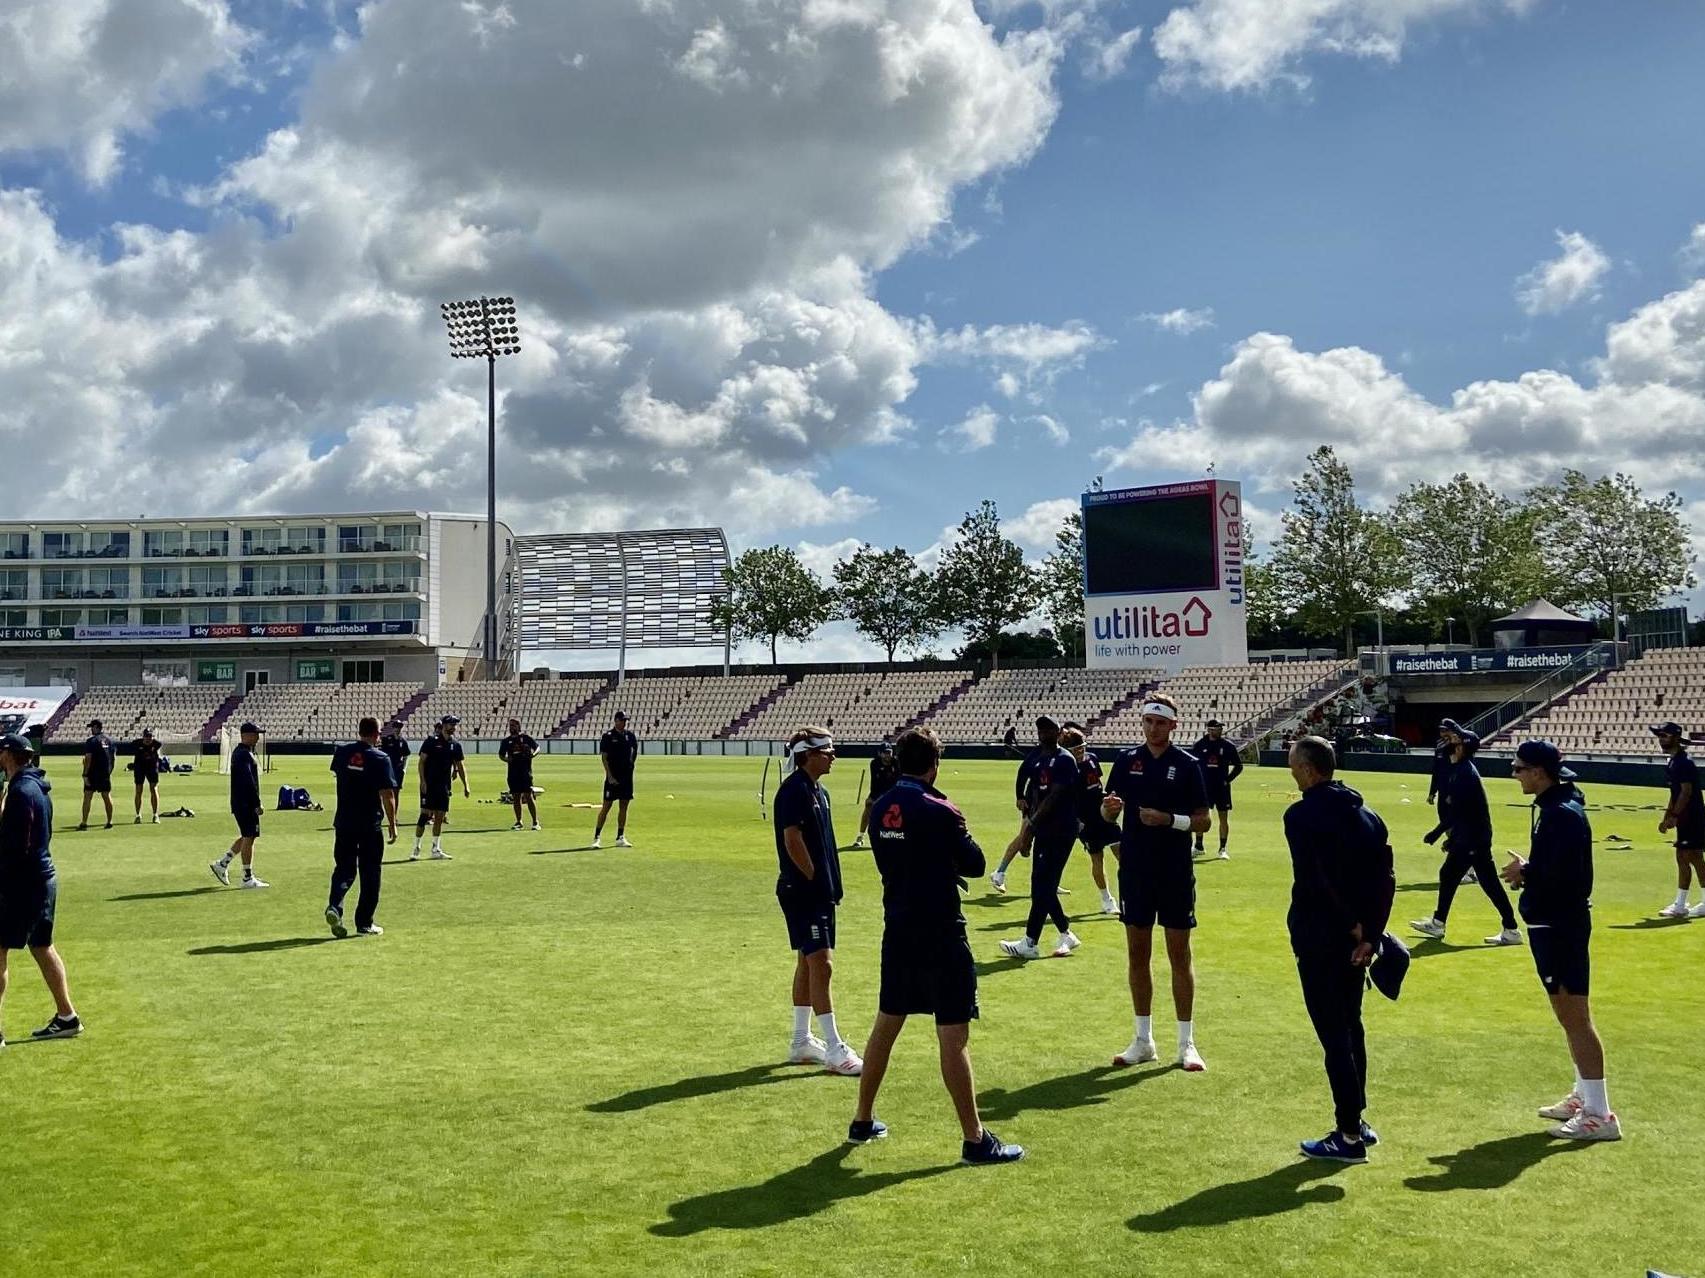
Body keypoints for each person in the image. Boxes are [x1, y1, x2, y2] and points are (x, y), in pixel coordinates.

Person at [847, 727, 1024, 1165]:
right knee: (953, 1032)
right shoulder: (941, 809)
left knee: (886, 1026)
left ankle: (862, 1120)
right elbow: (977, 864)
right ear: (934, 764)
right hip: (942, 932)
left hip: (899, 927)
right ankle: (975, 1138)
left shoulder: (882, 805)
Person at [1500, 740, 1620, 1140]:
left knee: (1575, 1017)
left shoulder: (1562, 815)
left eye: (1518, 768)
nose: (1514, 774)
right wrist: (1532, 870)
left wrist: (1527, 873)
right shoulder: (1556, 807)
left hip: (1560, 926)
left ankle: (1599, 1115)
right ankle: (1584, 1097)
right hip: (1552, 925)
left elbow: (1570, 879)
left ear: (1538, 772)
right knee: (1568, 1017)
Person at [1284, 735, 1394, 1164]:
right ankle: (1358, 1123)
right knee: (1352, 1029)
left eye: (1294, 764)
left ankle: (1347, 1134)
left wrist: (1350, 923)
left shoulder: (1300, 816)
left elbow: (1315, 878)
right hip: (1357, 940)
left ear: (1309, 770)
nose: (1291, 771)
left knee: (1335, 1037)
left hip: (1321, 936)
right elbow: (1385, 879)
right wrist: (1371, 934)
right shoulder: (1368, 815)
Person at [1101, 692, 1210, 1071]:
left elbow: (1203, 820)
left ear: (1173, 726)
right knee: (1137, 954)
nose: (1153, 728)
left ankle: (1186, 1043)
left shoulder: (1188, 765)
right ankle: (1143, 1039)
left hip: (1175, 870)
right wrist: (1108, 810)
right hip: (1136, 870)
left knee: (1179, 955)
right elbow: (1106, 812)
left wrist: (1169, 820)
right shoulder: (1127, 760)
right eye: (1148, 721)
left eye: (1160, 722)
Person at [774, 725, 861, 1076]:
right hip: (803, 892)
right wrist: (812, 878)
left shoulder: (818, 791)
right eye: (827, 751)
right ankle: (835, 1046)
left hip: (819, 891)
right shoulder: (794, 791)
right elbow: (792, 840)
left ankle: (801, 1040)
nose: (833, 756)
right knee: (822, 965)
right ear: (808, 754)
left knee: (808, 963)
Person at [0, 733, 82, 1047]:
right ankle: (66, 1017)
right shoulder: (36, 787)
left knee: (0, 949)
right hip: (42, 878)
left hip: (23, 883)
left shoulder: (21, 791)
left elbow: (15, 846)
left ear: (8, 755)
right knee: (42, 945)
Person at [1409, 728, 1521, 945]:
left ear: (1462, 747)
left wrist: (1438, 833)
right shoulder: (1460, 769)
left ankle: (1511, 929)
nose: (1450, 743)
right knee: (1460, 876)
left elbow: (1459, 811)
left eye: (1454, 741)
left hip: (1473, 838)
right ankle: (1440, 923)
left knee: (1484, 882)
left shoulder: (1464, 774)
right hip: (1471, 836)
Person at [997, 718, 1082, 960]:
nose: (1044, 733)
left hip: (1061, 830)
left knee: (1043, 885)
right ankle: (1064, 934)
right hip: (1045, 829)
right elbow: (1031, 786)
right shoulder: (1037, 757)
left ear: (1058, 732)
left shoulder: (1064, 760)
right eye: (1041, 729)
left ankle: (1031, 942)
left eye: (1049, 729)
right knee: (1041, 884)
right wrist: (1022, 802)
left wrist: (1029, 829)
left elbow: (1053, 797)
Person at [325, 717, 400, 938]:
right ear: (377, 734)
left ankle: (334, 906)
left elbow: (340, 774)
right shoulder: (380, 758)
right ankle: (364, 923)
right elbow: (388, 795)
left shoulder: (342, 753)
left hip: (344, 821)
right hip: (369, 824)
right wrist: (393, 824)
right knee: (370, 873)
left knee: (344, 869)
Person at [990, 716, 1061, 894]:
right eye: (1041, 731)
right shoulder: (1037, 753)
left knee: (1050, 841)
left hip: (1049, 804)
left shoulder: (1059, 754)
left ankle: (1050, 880)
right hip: (1034, 801)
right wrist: (1020, 796)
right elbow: (1022, 774)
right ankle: (999, 872)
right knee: (1024, 836)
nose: (1043, 734)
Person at [1065, 726, 1121, 916]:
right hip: (1086, 821)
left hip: (1104, 814)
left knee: (1124, 855)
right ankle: (1107, 899)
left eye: (1082, 747)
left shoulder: (1092, 759)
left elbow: (1098, 785)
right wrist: (1076, 821)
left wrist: (1109, 803)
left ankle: (1132, 894)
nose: (1081, 752)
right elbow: (1066, 798)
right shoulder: (1067, 768)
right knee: (1097, 858)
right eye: (1076, 749)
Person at [1652, 721, 1705, 919]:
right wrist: (1667, 816)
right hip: (1689, 817)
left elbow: (1686, 792)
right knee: (1695, 858)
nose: (1661, 739)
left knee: (1685, 857)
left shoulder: (1682, 763)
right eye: (1660, 736)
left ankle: (1681, 904)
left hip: (1691, 817)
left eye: (1664, 735)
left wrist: (1674, 816)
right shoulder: (1675, 762)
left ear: (1675, 737)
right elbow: (1675, 794)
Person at [209, 722, 268, 889]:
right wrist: (256, 803)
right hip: (245, 804)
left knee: (246, 835)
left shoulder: (242, 753)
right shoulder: (243, 755)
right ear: (246, 735)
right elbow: (248, 781)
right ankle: (247, 878)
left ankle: (223, 863)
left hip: (241, 802)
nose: (257, 738)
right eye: (255, 734)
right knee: (250, 837)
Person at [411, 715, 467, 861]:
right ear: (443, 725)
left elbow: (460, 765)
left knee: (440, 817)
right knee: (424, 816)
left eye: (455, 725)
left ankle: (436, 849)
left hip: (444, 786)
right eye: (450, 724)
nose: (453, 727)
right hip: (429, 785)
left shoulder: (455, 745)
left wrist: (466, 785)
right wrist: (422, 781)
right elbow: (421, 762)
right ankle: (416, 847)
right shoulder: (431, 741)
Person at [1191, 718, 1243, 860]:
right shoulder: (1199, 745)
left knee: (1223, 817)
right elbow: (1192, 765)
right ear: (1209, 729)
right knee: (1201, 816)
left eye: (1221, 728)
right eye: (1216, 728)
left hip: (1221, 788)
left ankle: (1223, 848)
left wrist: (1227, 780)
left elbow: (1239, 766)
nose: (1219, 730)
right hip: (1204, 788)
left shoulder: (1227, 746)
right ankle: (1198, 846)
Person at [594, 710, 638, 849]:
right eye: (622, 720)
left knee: (624, 806)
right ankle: (597, 837)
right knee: (606, 806)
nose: (624, 723)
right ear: (616, 721)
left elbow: (634, 752)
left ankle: (620, 836)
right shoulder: (608, 736)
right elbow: (604, 757)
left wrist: (630, 766)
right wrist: (610, 776)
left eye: (625, 721)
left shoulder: (630, 736)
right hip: (613, 777)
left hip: (626, 777)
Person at [851, 736, 900, 849]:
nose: (888, 755)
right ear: (880, 753)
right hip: (879, 791)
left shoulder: (897, 763)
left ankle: (895, 838)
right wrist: (873, 798)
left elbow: (899, 780)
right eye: (885, 753)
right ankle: (860, 837)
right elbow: (875, 783)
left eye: (889, 752)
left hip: (895, 792)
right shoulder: (875, 763)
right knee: (868, 806)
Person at [499, 718, 541, 831]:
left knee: (528, 796)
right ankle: (519, 822)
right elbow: (501, 755)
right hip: (513, 773)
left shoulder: (525, 738)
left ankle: (535, 822)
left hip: (525, 772)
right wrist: (508, 760)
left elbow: (537, 747)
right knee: (516, 797)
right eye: (510, 725)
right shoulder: (506, 741)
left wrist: (533, 754)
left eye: (513, 725)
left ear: (518, 726)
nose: (511, 727)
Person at [77, 719, 116, 831]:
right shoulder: (110, 741)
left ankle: (84, 822)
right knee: (107, 796)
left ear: (96, 727)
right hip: (104, 774)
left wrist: (85, 774)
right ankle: (109, 821)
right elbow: (113, 759)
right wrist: (109, 771)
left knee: (87, 796)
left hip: (92, 773)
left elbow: (88, 758)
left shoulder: (91, 741)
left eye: (92, 727)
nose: (91, 730)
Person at [130, 726, 163, 824]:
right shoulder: (136, 744)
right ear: (143, 737)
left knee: (153, 789)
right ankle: (138, 815)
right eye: (146, 736)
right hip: (139, 768)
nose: (148, 739)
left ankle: (155, 814)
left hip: (152, 768)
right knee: (138, 790)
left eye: (150, 736)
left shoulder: (157, 744)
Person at [1426, 720, 1459, 806]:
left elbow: (1456, 770)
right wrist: (1432, 792)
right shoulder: (1439, 745)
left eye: (1445, 730)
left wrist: (1452, 793)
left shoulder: (1457, 746)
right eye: (1441, 730)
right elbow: (1436, 771)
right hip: (1442, 788)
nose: (1443, 733)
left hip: (1453, 790)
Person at [380, 728, 411, 796]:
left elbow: (406, 755)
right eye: (396, 727)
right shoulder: (387, 739)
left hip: (398, 769)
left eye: (399, 727)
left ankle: (396, 806)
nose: (397, 729)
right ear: (393, 728)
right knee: (386, 790)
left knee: (396, 792)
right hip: (388, 768)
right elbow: (381, 753)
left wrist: (404, 768)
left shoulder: (403, 741)